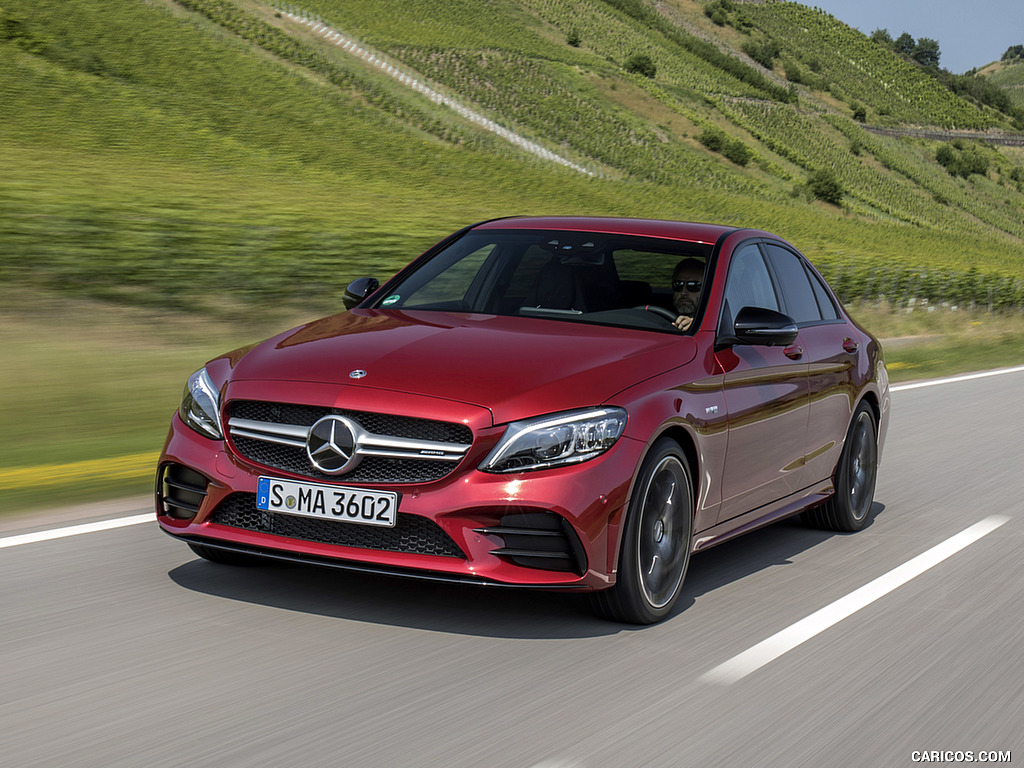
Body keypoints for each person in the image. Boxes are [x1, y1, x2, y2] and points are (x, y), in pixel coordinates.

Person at [671, 258, 704, 331]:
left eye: (693, 286)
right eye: (678, 285)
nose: (683, 293)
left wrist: (696, 325)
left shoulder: (716, 321)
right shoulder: (655, 315)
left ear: (705, 288)